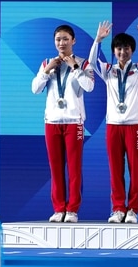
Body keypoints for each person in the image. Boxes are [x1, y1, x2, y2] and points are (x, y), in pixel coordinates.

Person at [88, 17, 138, 224]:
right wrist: (97, 40)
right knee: (115, 170)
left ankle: (133, 210)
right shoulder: (108, 71)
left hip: (134, 127)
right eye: (118, 49)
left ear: (132, 50)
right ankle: (118, 208)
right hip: (113, 127)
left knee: (135, 169)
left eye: (126, 48)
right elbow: (92, 62)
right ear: (114, 52)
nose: (122, 52)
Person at [31, 24, 95, 223]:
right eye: (58, 39)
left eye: (66, 39)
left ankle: (73, 210)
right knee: (56, 168)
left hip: (74, 123)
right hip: (52, 122)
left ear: (73, 41)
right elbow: (35, 89)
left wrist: (74, 67)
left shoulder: (83, 64)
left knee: (74, 169)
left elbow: (89, 87)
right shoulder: (47, 63)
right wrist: (47, 71)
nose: (61, 43)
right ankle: (59, 209)